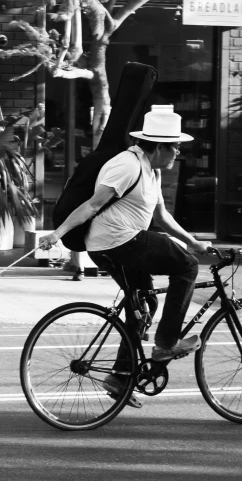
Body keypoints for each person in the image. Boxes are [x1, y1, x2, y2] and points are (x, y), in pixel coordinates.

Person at [39, 105, 212, 407]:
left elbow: (161, 215)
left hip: (122, 242)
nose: (178, 154)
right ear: (159, 146)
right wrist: (58, 233)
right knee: (186, 266)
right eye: (176, 147)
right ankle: (166, 345)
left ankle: (119, 376)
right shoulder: (127, 166)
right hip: (117, 241)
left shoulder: (152, 169)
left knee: (143, 302)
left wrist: (193, 241)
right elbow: (92, 206)